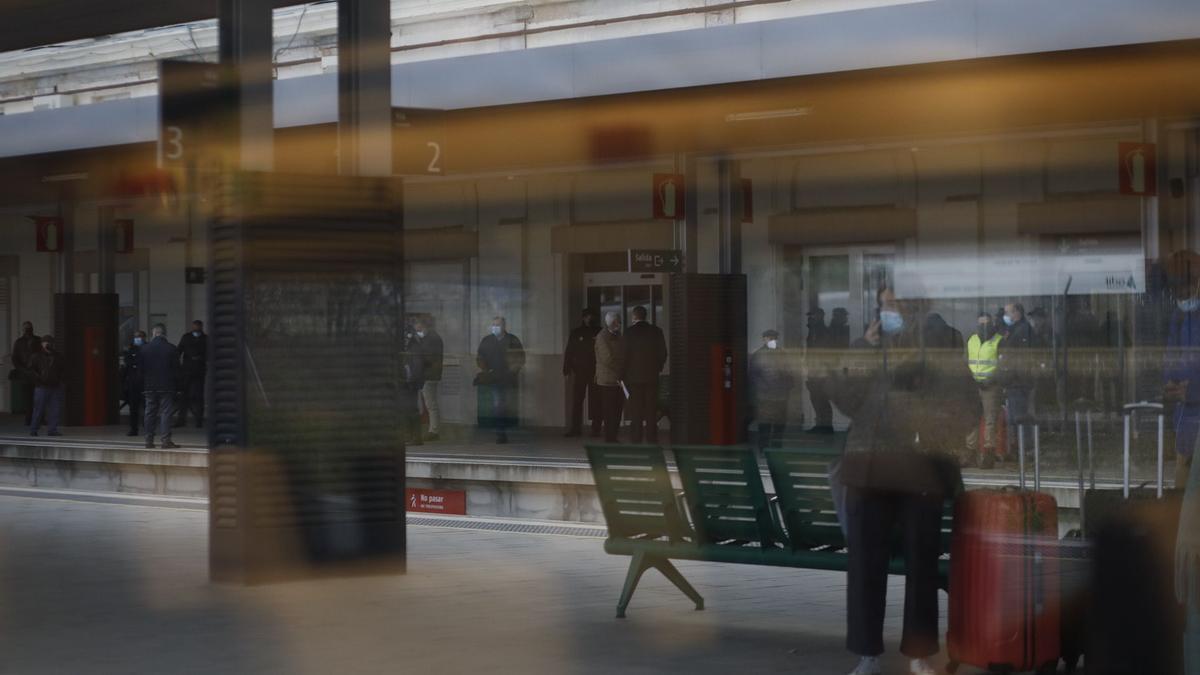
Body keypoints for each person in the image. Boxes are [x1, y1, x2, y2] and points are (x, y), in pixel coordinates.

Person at [827, 287, 976, 675]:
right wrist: (862, 348)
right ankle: (867, 653)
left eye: (894, 304)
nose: (887, 311)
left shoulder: (940, 345)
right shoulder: (874, 347)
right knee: (864, 564)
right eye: (884, 305)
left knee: (921, 562)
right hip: (869, 468)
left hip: (920, 469)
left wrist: (931, 430)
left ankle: (920, 652)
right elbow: (844, 398)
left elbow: (968, 407)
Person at [1165, 250, 1200, 488]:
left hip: (1194, 402)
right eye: (1178, 292)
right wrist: (1170, 383)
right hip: (1184, 412)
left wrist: (1194, 390)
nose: (1183, 297)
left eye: (1187, 290)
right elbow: (1169, 357)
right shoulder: (1178, 318)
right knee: (1183, 469)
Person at [622, 306, 667, 444]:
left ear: (634, 316)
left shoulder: (629, 333)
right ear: (645, 316)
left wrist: (623, 374)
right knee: (651, 409)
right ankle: (651, 438)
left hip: (634, 378)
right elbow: (663, 353)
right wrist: (657, 368)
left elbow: (624, 356)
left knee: (636, 409)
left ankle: (636, 438)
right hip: (651, 377)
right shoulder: (656, 331)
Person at [964, 312, 1004, 469]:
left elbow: (1002, 364)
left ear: (992, 324)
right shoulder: (972, 339)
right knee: (971, 419)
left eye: (986, 323)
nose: (983, 326)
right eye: (980, 324)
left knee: (990, 420)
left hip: (991, 386)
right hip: (974, 385)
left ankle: (988, 455)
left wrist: (992, 379)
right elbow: (966, 360)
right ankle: (970, 453)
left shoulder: (999, 340)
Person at [475, 317, 524, 444]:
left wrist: (513, 371)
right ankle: (500, 432)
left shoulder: (512, 340)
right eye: (493, 325)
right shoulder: (487, 340)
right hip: (493, 378)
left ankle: (503, 429)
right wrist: (486, 370)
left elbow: (520, 357)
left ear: (504, 326)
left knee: (505, 405)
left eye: (498, 325)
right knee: (498, 405)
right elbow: (480, 357)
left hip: (508, 379)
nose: (495, 327)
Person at [998, 303, 1038, 432]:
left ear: (1017, 313)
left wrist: (1011, 376)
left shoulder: (1022, 330)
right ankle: (1020, 444)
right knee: (1015, 415)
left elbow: (1020, 357)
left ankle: (1024, 445)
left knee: (1019, 416)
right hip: (1014, 380)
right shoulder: (1014, 329)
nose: (1005, 316)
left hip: (1018, 380)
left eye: (1007, 312)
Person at [750, 329, 792, 449]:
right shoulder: (759, 354)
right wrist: (764, 387)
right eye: (770, 338)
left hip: (778, 394)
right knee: (766, 423)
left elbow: (789, 373)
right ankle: (764, 447)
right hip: (767, 395)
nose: (773, 340)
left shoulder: (781, 353)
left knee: (778, 423)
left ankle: (775, 447)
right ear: (765, 339)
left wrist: (787, 387)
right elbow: (753, 375)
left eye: (774, 338)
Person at [563, 308, 602, 438]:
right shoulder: (576, 332)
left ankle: (596, 429)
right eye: (588, 317)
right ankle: (575, 428)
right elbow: (570, 351)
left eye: (592, 316)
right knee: (577, 400)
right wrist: (567, 369)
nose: (590, 319)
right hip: (580, 371)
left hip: (595, 371)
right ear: (583, 318)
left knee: (596, 400)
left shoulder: (599, 331)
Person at [142, 324, 179, 449]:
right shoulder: (171, 348)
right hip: (166, 385)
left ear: (153, 334)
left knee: (149, 413)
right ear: (164, 334)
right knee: (166, 413)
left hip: (149, 386)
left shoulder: (145, 348)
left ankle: (148, 440)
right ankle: (165, 440)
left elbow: (141, 369)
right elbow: (176, 369)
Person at [594, 311, 626, 443]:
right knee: (610, 411)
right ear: (612, 323)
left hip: (618, 380)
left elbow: (623, 352)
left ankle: (614, 436)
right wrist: (623, 367)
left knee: (618, 410)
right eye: (618, 321)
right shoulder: (602, 337)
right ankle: (610, 438)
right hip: (607, 381)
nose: (620, 324)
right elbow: (607, 358)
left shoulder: (618, 335)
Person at [28, 334, 64, 437]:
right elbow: (31, 370)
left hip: (55, 386)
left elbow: (63, 370)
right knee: (38, 409)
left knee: (55, 410)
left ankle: (52, 430)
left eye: (50, 342)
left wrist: (60, 381)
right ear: (42, 344)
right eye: (45, 342)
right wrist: (38, 380)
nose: (48, 344)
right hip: (41, 387)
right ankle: (33, 429)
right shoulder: (36, 356)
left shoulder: (58, 356)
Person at [414, 317, 443, 442]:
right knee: (428, 403)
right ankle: (432, 429)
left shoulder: (431, 339)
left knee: (430, 404)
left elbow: (427, 357)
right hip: (427, 374)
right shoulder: (430, 338)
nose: (418, 331)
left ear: (424, 326)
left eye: (419, 329)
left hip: (429, 375)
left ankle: (434, 431)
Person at [807, 308, 835, 433]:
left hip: (821, 371)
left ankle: (826, 427)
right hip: (814, 370)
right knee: (816, 399)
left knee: (821, 399)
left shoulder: (824, 332)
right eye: (810, 316)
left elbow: (825, 353)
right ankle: (821, 425)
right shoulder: (813, 331)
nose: (810, 318)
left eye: (812, 316)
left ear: (820, 317)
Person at [176, 320, 207, 428]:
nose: (196, 328)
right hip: (186, 370)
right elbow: (179, 351)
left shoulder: (205, 339)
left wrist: (201, 358)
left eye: (198, 326)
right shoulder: (186, 337)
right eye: (195, 326)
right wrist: (178, 367)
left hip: (199, 371)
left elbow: (210, 353)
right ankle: (181, 420)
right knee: (183, 396)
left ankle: (199, 420)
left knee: (199, 397)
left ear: (201, 327)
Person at [9, 321, 40, 427]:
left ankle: (37, 418)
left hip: (35, 374)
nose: (28, 330)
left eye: (29, 328)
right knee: (28, 399)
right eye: (26, 328)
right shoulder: (19, 342)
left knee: (38, 398)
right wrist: (21, 369)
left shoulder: (37, 340)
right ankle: (28, 419)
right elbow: (15, 358)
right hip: (25, 374)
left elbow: (41, 356)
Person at [402, 327, 427, 447]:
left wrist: (413, 382)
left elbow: (416, 367)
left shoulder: (414, 347)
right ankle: (409, 436)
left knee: (411, 410)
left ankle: (415, 437)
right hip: (406, 382)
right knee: (407, 410)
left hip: (410, 383)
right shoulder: (410, 347)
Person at [120, 330, 147, 437]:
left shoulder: (148, 348)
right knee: (133, 407)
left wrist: (135, 363)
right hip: (132, 382)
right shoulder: (130, 349)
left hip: (145, 382)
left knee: (147, 407)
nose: (137, 339)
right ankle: (133, 429)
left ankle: (148, 429)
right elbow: (128, 362)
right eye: (136, 337)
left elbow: (144, 362)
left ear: (144, 337)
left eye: (139, 336)